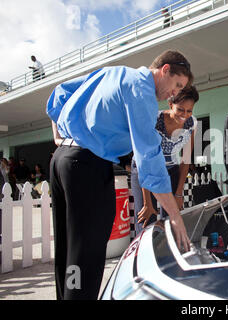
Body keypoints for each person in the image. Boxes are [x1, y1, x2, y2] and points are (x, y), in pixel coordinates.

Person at [46, 50, 193, 300]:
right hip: (86, 167)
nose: (175, 94)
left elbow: (60, 92)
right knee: (86, 255)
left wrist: (59, 136)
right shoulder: (141, 90)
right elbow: (149, 157)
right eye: (177, 85)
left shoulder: (113, 73)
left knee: (69, 249)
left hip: (62, 161)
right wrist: (175, 216)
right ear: (165, 69)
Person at [131, 85, 199, 234]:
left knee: (171, 218)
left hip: (170, 169)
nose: (184, 115)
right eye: (180, 109)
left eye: (189, 111)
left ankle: (166, 253)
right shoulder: (153, 121)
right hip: (144, 169)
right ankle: (143, 254)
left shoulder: (192, 124)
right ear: (170, 104)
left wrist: (179, 194)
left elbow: (186, 159)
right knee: (146, 220)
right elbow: (144, 159)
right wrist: (148, 203)